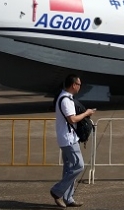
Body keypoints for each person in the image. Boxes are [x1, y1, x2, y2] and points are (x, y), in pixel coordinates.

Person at [50, 74, 95, 208]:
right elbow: (72, 119)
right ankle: (57, 191)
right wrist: (86, 113)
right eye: (79, 84)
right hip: (68, 140)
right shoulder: (65, 100)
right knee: (79, 166)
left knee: (69, 168)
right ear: (74, 85)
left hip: (69, 138)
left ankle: (68, 198)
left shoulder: (67, 98)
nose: (80, 87)